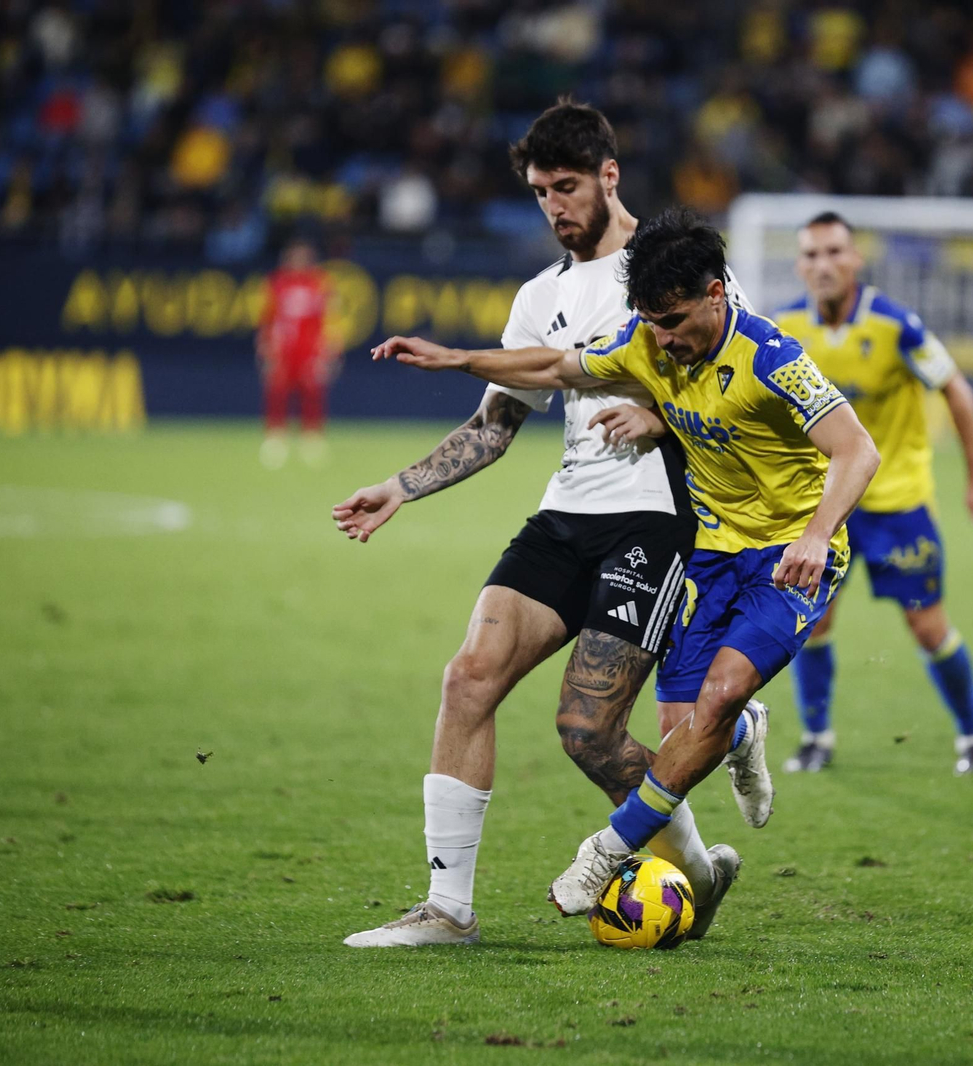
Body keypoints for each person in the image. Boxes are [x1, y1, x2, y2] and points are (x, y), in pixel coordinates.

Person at [373, 206, 881, 914]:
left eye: (671, 320)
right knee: (686, 731)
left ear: (716, 293)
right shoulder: (647, 341)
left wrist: (817, 534)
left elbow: (858, 449)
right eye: (649, 321)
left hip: (791, 556)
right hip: (711, 552)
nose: (660, 339)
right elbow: (555, 365)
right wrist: (458, 358)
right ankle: (744, 734)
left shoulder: (772, 355)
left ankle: (604, 852)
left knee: (721, 690)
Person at [331, 103, 751, 948]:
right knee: (468, 678)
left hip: (656, 521)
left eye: (566, 188)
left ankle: (700, 872)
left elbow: (741, 381)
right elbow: (496, 425)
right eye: (538, 193)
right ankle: (447, 911)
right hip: (567, 515)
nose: (554, 207)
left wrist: (662, 420)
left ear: (609, 175)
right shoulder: (540, 296)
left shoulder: (674, 266)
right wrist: (401, 487)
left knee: (587, 733)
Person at [773, 212, 973, 776]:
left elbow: (955, 387)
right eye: (810, 254)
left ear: (855, 260)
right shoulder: (782, 328)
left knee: (927, 626)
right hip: (826, 508)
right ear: (799, 264)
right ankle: (816, 738)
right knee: (814, 624)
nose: (822, 264)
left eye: (834, 252)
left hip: (898, 502)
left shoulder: (895, 325)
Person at [258, 237, 337, 468]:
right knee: (278, 390)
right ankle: (276, 438)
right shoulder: (277, 283)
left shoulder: (319, 283)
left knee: (312, 391)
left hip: (309, 349)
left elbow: (327, 319)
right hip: (283, 348)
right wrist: (265, 346)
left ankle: (311, 438)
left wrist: (327, 349)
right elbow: (267, 317)